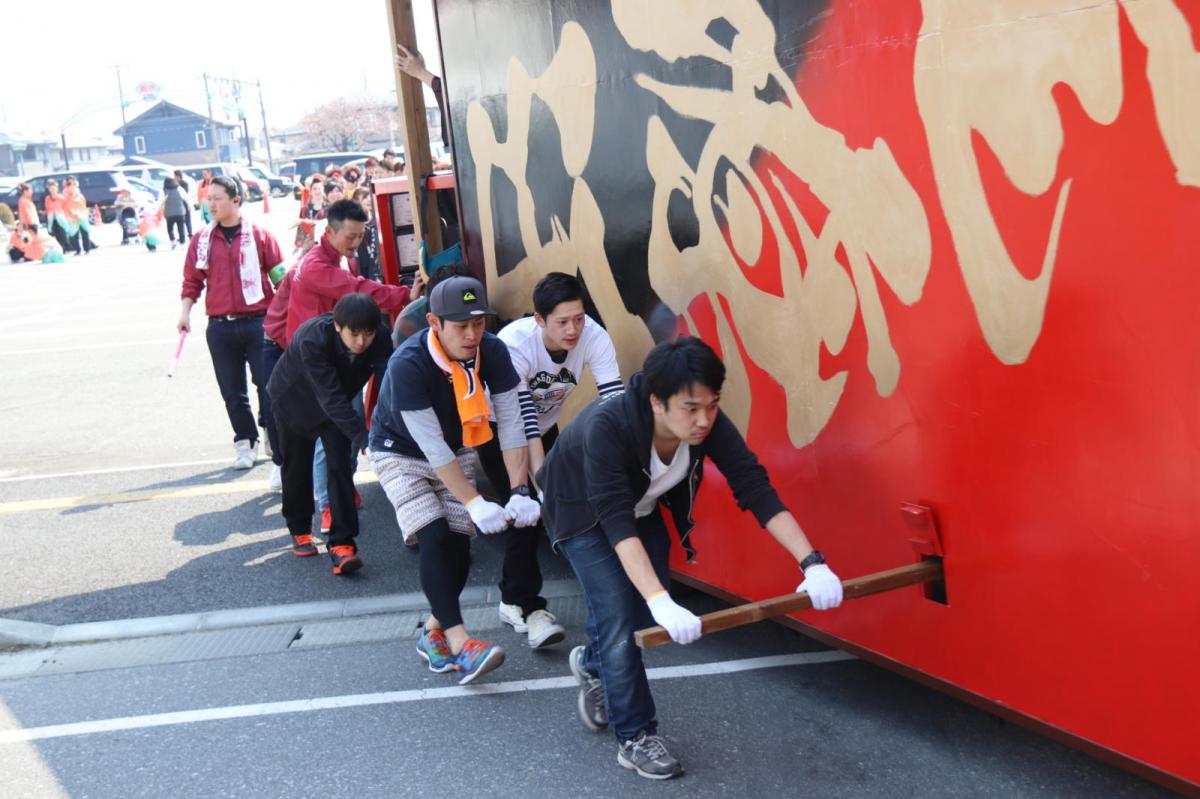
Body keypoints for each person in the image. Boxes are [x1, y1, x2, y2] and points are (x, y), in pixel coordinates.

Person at [537, 336, 845, 780]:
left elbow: (753, 486)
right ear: (657, 401)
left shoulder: (705, 421)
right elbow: (616, 525)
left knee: (637, 612)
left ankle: (592, 664)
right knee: (620, 613)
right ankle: (636, 737)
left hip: (637, 507)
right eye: (691, 408)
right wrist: (660, 599)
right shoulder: (610, 426)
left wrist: (812, 562)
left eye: (712, 405)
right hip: (579, 510)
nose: (704, 419)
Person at [368, 274, 539, 684]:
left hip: (457, 444)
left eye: (478, 323)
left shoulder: (492, 351)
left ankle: (433, 631)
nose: (471, 334)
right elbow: (431, 447)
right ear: (434, 322)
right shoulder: (408, 364)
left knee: (461, 545)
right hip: (399, 451)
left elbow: (511, 422)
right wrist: (475, 502)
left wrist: (519, 490)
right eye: (460, 326)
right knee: (436, 535)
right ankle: (462, 643)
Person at [478, 272, 624, 649]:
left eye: (579, 318)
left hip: (545, 425)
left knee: (563, 505)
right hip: (500, 430)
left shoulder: (594, 336)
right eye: (562, 322)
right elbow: (523, 421)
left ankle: (609, 598)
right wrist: (539, 484)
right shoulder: (515, 344)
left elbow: (613, 401)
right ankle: (521, 604)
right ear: (540, 319)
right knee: (525, 510)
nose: (573, 329)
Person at [287, 198, 421, 530]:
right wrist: (404, 295)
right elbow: (358, 290)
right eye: (351, 236)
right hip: (318, 364)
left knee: (348, 427)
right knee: (332, 431)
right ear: (330, 232)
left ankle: (341, 490)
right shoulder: (316, 266)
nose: (357, 242)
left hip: (340, 358)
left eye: (361, 236)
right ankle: (329, 504)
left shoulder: (339, 258)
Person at [267, 294, 392, 574]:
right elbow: (330, 397)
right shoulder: (312, 338)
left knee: (340, 468)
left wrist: (386, 429)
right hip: (293, 400)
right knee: (296, 467)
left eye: (368, 333)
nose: (361, 342)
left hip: (336, 406)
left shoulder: (381, 337)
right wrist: (364, 439)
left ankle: (342, 544)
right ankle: (300, 528)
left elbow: (388, 382)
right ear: (337, 326)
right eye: (354, 334)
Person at [177, 176, 285, 469]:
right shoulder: (202, 240)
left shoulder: (260, 236)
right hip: (220, 326)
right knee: (232, 391)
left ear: (236, 200)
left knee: (268, 385)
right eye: (208, 199)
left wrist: (284, 316)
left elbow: (280, 278)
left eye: (217, 198)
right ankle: (245, 441)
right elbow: (192, 280)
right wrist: (185, 313)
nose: (211, 204)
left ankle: (272, 436)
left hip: (259, 323)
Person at [61, 176, 97, 255]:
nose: (71, 185)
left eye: (73, 183)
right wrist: (73, 214)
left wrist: (84, 213)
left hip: (82, 215)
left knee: (85, 232)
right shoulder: (65, 195)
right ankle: (78, 250)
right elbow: (65, 206)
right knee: (74, 234)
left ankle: (87, 249)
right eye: (69, 183)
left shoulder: (79, 194)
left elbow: (83, 204)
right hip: (71, 217)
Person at [162, 177, 190, 250]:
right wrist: (190, 207)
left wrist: (158, 210)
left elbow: (160, 202)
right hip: (180, 212)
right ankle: (182, 244)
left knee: (170, 229)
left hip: (169, 213)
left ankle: (173, 241)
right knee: (181, 228)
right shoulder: (179, 189)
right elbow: (186, 198)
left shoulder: (164, 191)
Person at [43, 179, 70, 252]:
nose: (52, 190)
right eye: (50, 188)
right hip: (52, 218)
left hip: (61, 218)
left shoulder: (61, 197)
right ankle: (61, 248)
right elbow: (47, 208)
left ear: (57, 188)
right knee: (56, 234)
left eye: (54, 188)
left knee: (63, 233)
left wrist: (67, 217)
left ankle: (67, 247)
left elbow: (65, 208)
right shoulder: (47, 198)